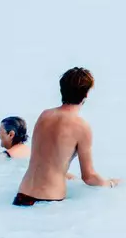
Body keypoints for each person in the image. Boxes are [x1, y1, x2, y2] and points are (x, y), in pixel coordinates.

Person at [14, 67, 117, 206]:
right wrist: (111, 183)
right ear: (86, 94)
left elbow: (45, 159)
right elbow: (88, 177)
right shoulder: (81, 126)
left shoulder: (44, 115)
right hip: (49, 202)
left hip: (22, 195)